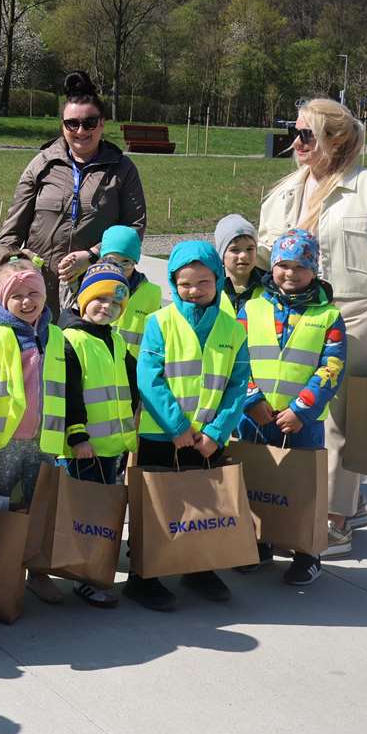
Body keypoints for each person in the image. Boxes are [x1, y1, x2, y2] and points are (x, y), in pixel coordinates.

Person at [258, 98, 367, 558]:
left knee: (336, 417)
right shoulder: (288, 189)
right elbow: (267, 248)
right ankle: (346, 500)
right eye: (295, 132)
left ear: (337, 139)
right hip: (295, 312)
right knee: (294, 405)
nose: (297, 143)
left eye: (306, 135)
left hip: (356, 312)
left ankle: (334, 521)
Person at [125, 241, 252, 612]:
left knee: (204, 505)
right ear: (173, 284)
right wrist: (177, 427)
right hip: (162, 435)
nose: (194, 291)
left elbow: (237, 384)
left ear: (218, 281)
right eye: (185, 284)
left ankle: (199, 567)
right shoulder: (159, 323)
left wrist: (216, 432)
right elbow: (149, 379)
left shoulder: (232, 329)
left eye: (203, 282)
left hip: (208, 438)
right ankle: (143, 576)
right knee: (155, 507)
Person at [236, 228, 346, 586]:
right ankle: (259, 541)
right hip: (255, 416)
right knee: (256, 480)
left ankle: (307, 551)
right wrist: (251, 399)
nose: (290, 273)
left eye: (300, 266)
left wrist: (302, 409)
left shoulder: (328, 316)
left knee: (303, 486)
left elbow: (332, 367)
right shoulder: (252, 308)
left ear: (314, 270)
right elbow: (238, 359)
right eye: (283, 264)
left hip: (302, 421)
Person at [0, 72, 148, 312]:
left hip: (95, 293)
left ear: (102, 123)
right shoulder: (42, 164)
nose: (80, 131)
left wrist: (92, 255)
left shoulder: (122, 169)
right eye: (71, 124)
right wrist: (14, 261)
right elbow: (9, 234)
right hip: (36, 294)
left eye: (89, 123)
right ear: (62, 125)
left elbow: (133, 229)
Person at [0, 254, 67, 605]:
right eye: (17, 296)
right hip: (4, 445)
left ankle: (37, 571)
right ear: (3, 300)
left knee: (38, 509)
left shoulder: (53, 335)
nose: (27, 302)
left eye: (34, 293)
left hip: (43, 443)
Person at [58, 262, 139, 607]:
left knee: (104, 516)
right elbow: (69, 392)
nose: (106, 307)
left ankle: (97, 569)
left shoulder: (117, 340)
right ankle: (84, 576)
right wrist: (77, 437)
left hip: (112, 447)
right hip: (85, 448)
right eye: (99, 299)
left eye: (115, 303)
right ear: (82, 299)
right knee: (86, 517)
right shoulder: (71, 340)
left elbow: (133, 382)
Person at [101, 226, 158, 359]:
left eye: (126, 262)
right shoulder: (93, 287)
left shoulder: (152, 294)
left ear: (135, 262)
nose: (118, 268)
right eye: (112, 261)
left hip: (135, 371)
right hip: (100, 367)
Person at [217, 214, 261, 315]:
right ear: (222, 254)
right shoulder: (211, 288)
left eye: (249, 249)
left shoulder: (269, 288)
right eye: (235, 250)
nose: (243, 255)